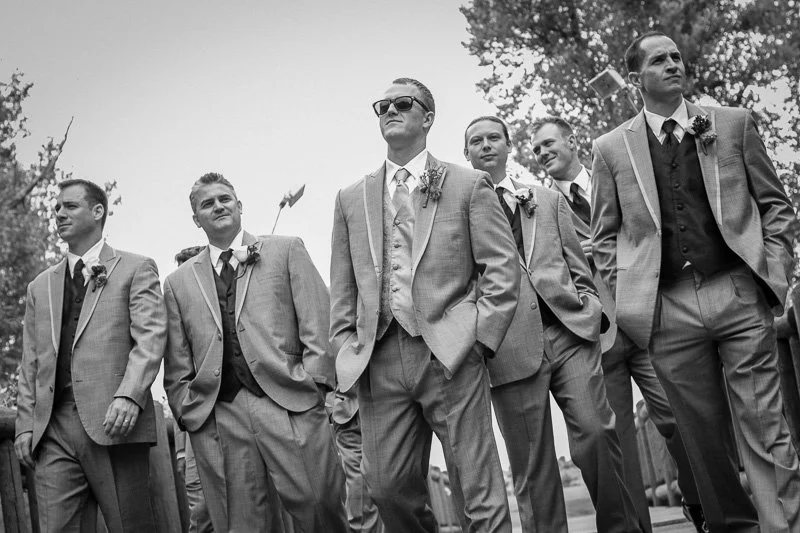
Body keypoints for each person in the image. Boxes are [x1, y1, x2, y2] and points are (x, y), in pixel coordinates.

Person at [592, 31, 800, 532]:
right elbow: (603, 237)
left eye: (676, 57)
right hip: (666, 307)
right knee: (702, 441)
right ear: (636, 78)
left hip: (737, 290)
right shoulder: (610, 148)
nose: (673, 64)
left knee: (765, 426)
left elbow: (775, 206)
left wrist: (771, 275)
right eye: (658, 60)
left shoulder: (731, 123)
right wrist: (632, 302)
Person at [330, 78, 518, 533]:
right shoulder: (351, 198)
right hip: (378, 360)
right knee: (386, 488)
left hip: (450, 352)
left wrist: (477, 338)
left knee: (477, 488)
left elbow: (501, 267)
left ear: (427, 118)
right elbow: (343, 287)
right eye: (383, 106)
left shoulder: (468, 184)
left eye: (402, 103)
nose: (390, 110)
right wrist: (345, 348)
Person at [464, 116, 641, 533]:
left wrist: (590, 308)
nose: (486, 145)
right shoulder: (457, 215)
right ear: (466, 154)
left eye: (494, 138)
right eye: (476, 141)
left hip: (569, 334)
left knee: (598, 435)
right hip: (506, 348)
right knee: (533, 468)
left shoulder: (545, 199)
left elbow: (577, 265)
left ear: (509, 146)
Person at [530, 115, 705, 532]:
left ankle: (699, 503)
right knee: (618, 445)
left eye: (549, 143)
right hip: (594, 335)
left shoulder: (613, 177)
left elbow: (651, 230)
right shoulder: (540, 205)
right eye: (536, 149)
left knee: (680, 416)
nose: (542, 153)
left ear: (572, 141)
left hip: (645, 317)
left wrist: (612, 247)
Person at [163, 173, 347, 533]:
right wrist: (189, 409)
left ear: (239, 205)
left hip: (290, 401)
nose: (218, 206)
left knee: (319, 505)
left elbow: (318, 320)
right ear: (196, 219)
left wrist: (316, 385)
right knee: (242, 523)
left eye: (225, 199)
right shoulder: (178, 282)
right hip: (220, 414)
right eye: (207, 204)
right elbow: (177, 359)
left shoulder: (285, 249)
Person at [15, 178, 166, 532]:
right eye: (56, 208)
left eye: (70, 206)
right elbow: (30, 360)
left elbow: (150, 338)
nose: (59, 214)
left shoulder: (135, 268)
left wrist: (130, 395)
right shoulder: (39, 286)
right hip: (52, 429)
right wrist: (25, 425)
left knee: (130, 527)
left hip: (116, 421)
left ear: (98, 211)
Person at [173, 246, 214, 533]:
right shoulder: (178, 321)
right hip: (194, 435)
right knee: (200, 513)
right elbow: (178, 385)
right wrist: (179, 449)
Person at [328, 387, 384, 533]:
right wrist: (329, 404)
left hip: (389, 404)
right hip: (347, 411)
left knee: (397, 487)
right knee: (358, 489)